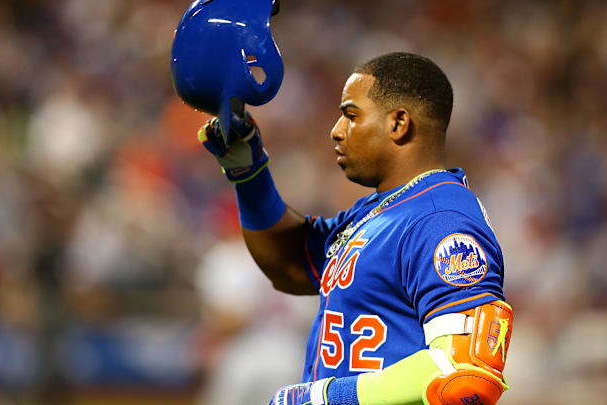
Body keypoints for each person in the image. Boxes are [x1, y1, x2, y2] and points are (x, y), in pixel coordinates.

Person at [198, 52, 513, 405]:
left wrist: (327, 397)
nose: (336, 130)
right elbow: (291, 266)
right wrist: (251, 175)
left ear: (398, 123)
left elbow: (465, 372)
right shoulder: (378, 211)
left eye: (351, 115)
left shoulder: (441, 219)